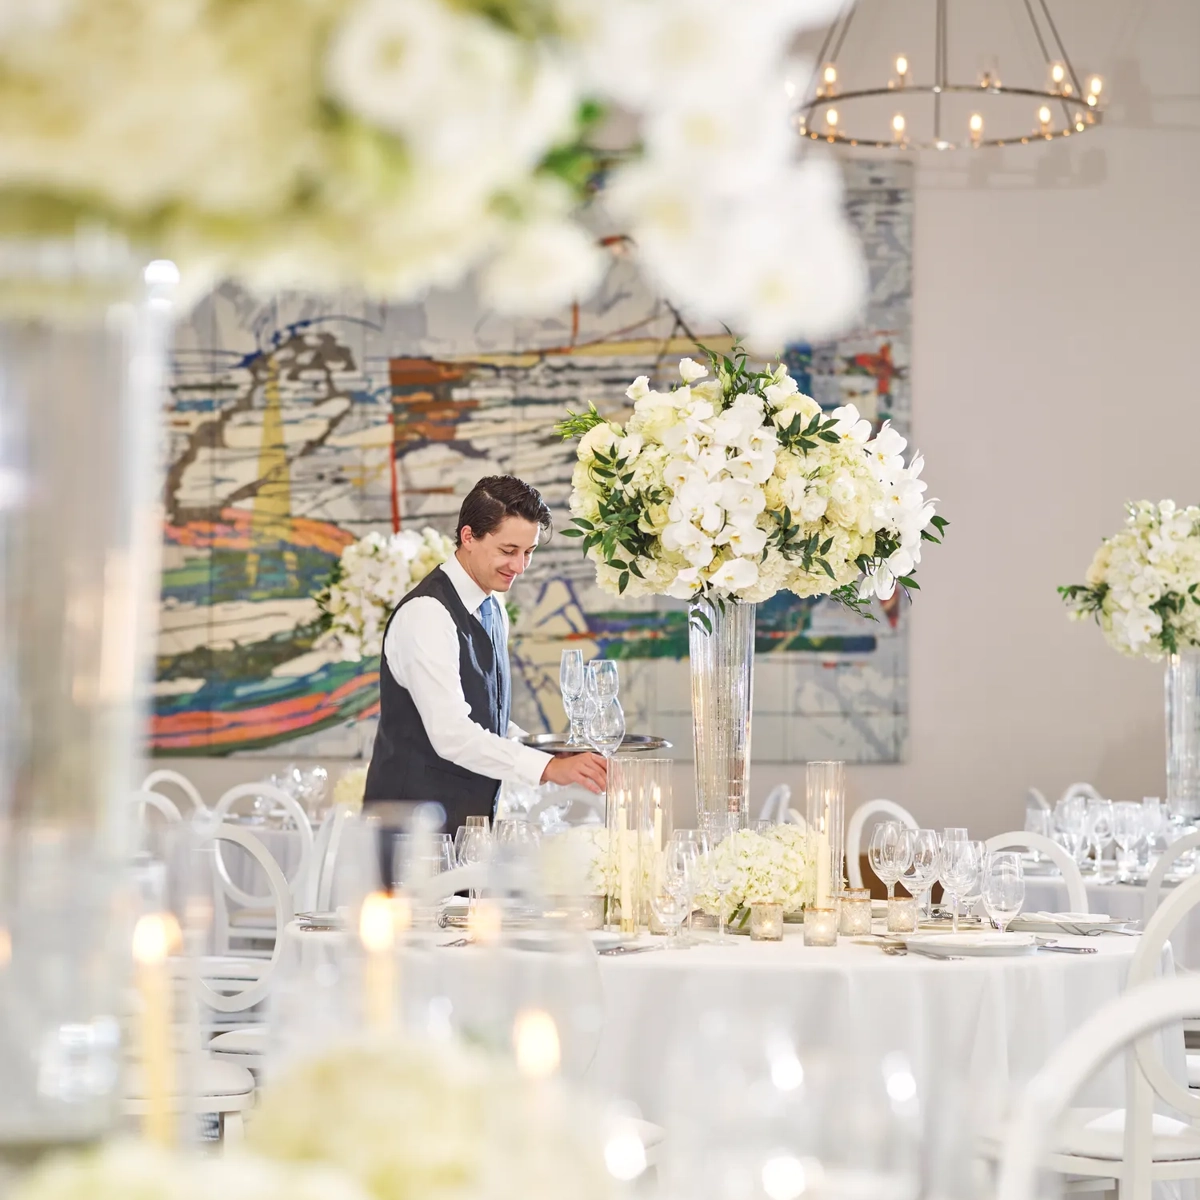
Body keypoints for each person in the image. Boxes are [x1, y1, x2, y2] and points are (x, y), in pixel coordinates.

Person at [363, 474, 608, 833]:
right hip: (407, 834)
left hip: (464, 829)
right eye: (509, 551)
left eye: (529, 552)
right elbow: (452, 734)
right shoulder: (427, 613)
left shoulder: (494, 608)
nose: (520, 566)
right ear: (468, 537)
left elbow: (488, 722)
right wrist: (547, 770)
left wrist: (549, 753)